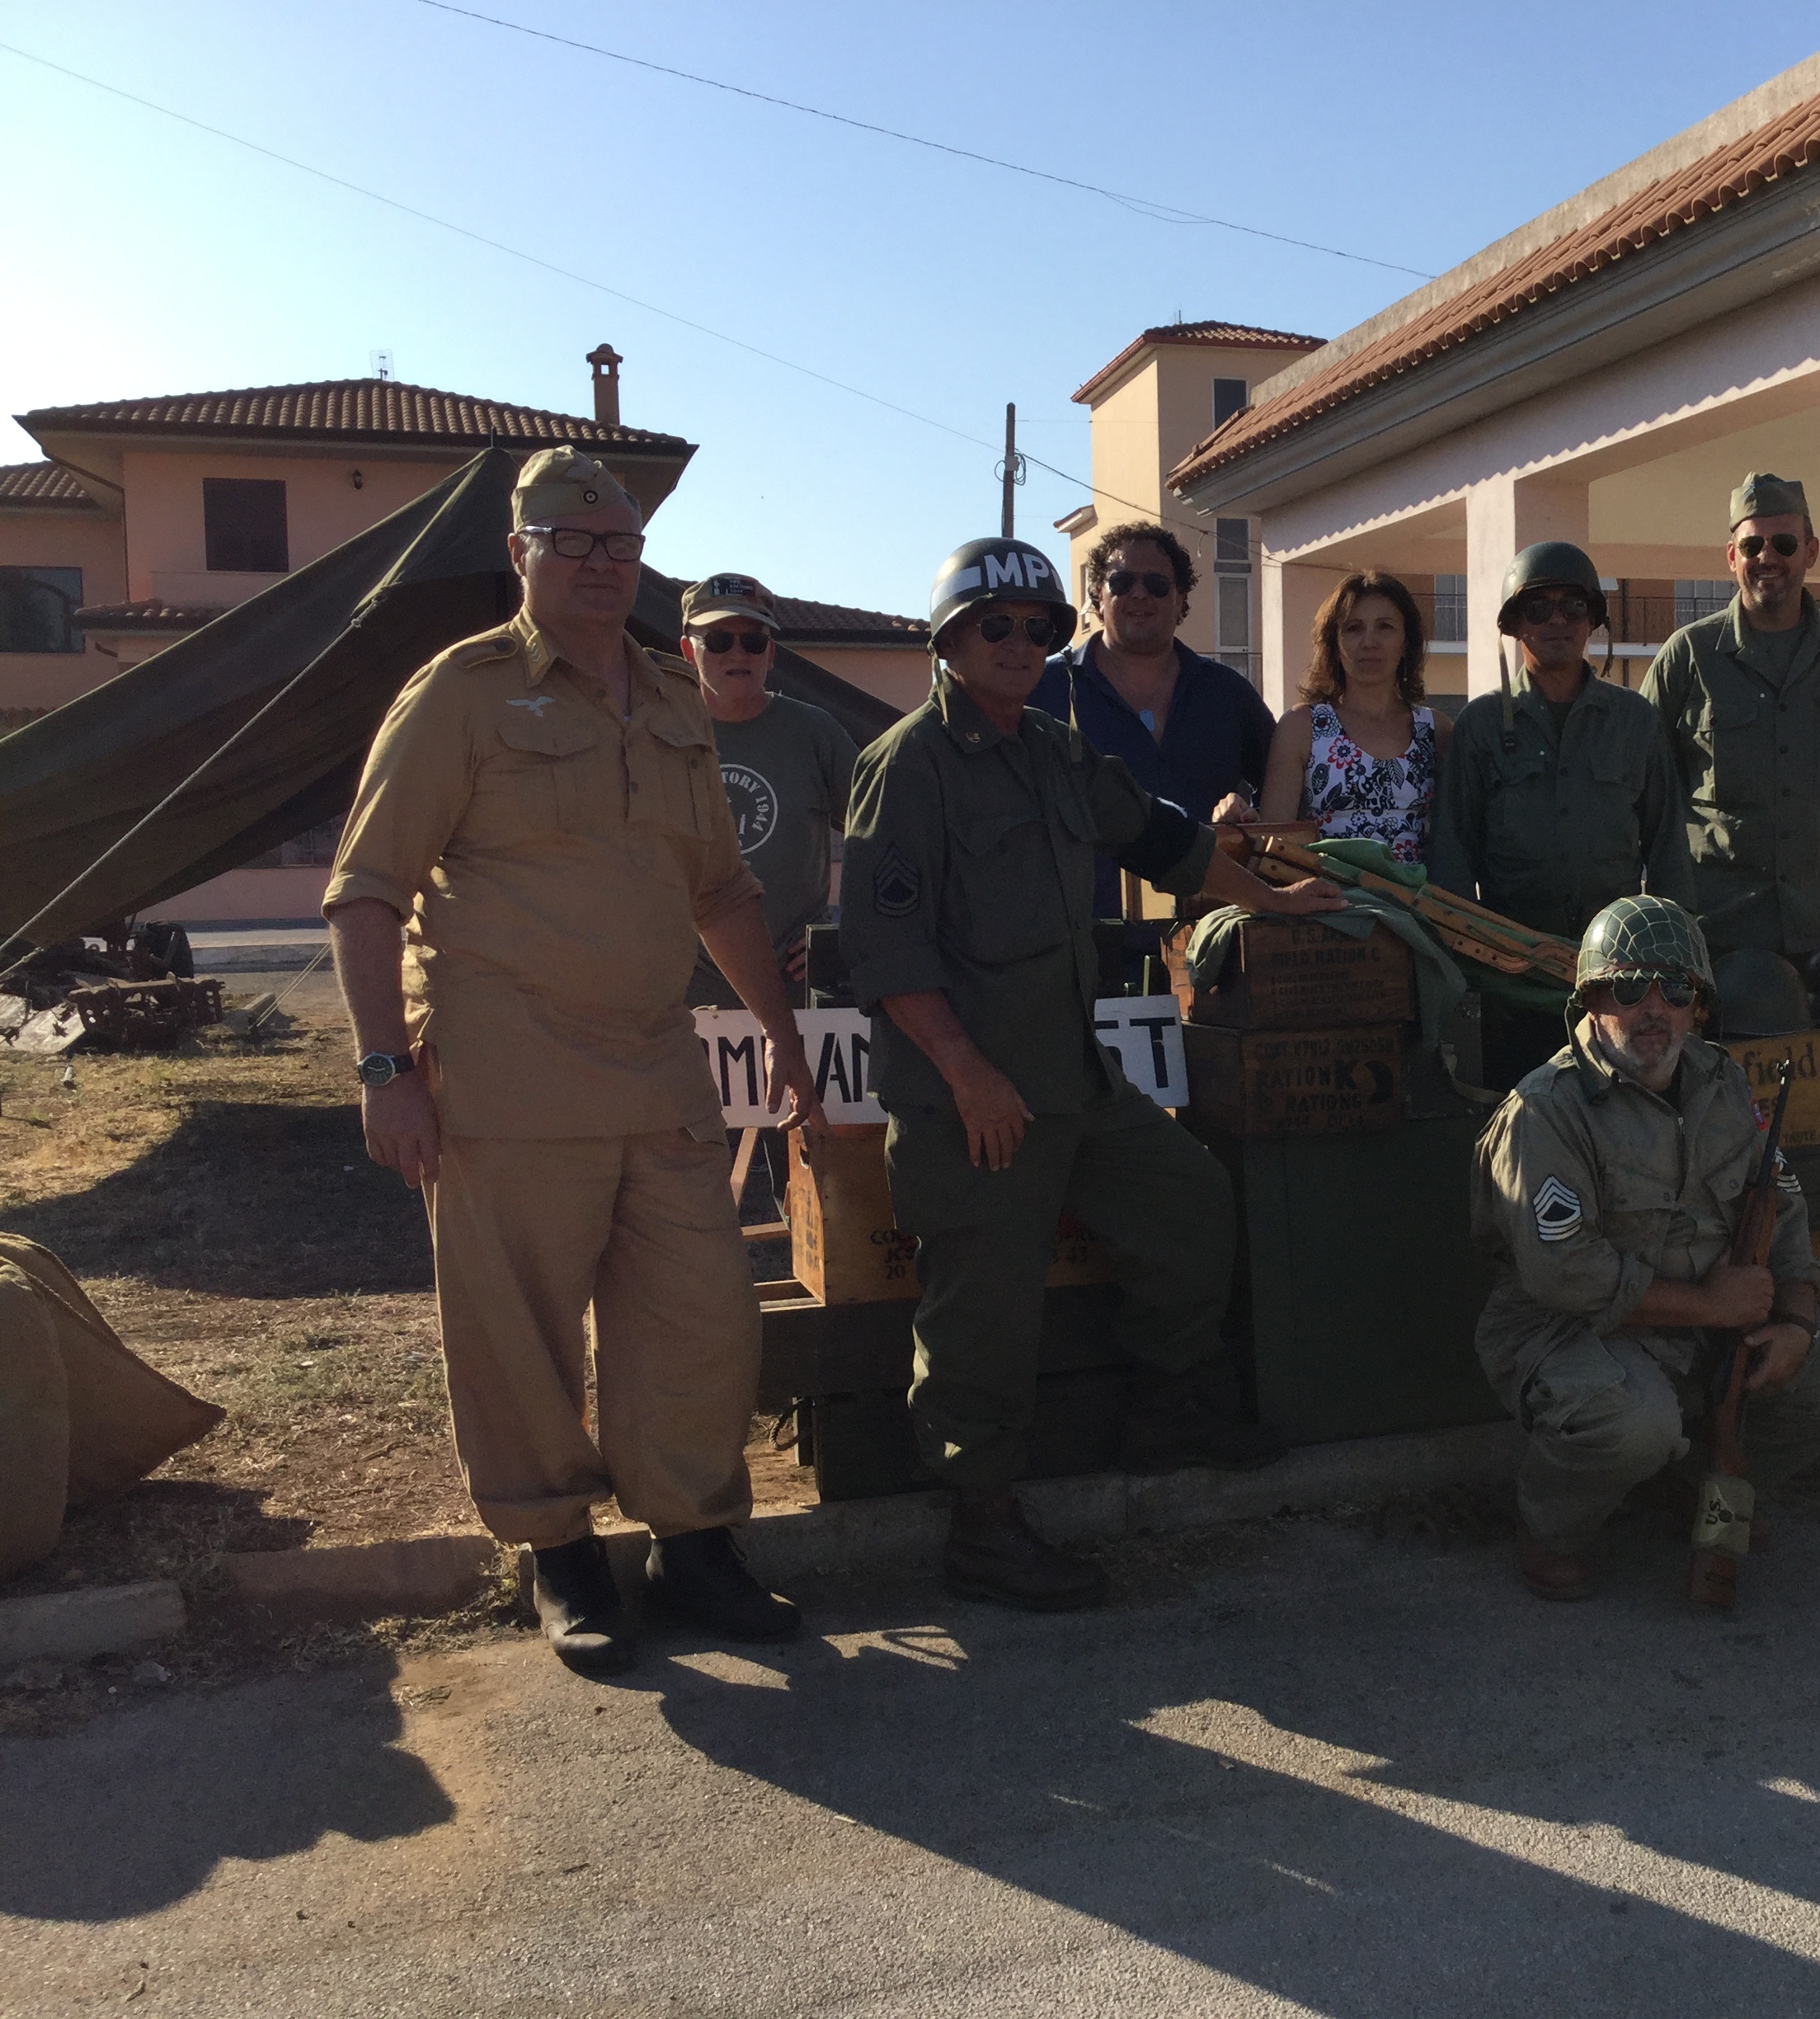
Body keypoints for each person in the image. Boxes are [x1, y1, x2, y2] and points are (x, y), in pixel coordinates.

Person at [324, 446, 819, 1676]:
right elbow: (366, 892)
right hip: (506, 1076)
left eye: (620, 546)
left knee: (699, 1318)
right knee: (518, 1335)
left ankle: (697, 1542)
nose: (601, 564)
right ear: (522, 555)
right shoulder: (460, 695)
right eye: (573, 543)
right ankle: (560, 1554)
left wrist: (781, 1029)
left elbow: (720, 888)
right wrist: (387, 1070)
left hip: (656, 1070)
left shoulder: (670, 697)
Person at [838, 536, 1345, 1611]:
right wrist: (968, 1073)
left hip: (1074, 1075)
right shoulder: (907, 766)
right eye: (994, 627)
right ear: (949, 641)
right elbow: (887, 953)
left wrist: (1276, 903)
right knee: (982, 1314)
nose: (1019, 645)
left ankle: (1166, 1414)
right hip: (970, 1093)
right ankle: (981, 1526)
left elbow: (1164, 842)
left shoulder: (1056, 751)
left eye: (1037, 628)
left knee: (1191, 1206)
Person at [1471, 895, 1820, 1599]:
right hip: (1576, 1331)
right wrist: (1709, 1304)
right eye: (1630, 987)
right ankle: (1550, 1528)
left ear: (1697, 1008)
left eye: (1675, 991)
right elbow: (1564, 1273)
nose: (1653, 1009)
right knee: (1635, 1424)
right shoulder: (1546, 1111)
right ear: (1591, 1000)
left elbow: (1781, 1211)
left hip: (1711, 1327)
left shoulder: (1722, 1082)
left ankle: (1697, 1482)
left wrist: (1793, 1318)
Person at [1432, 540, 1695, 1085]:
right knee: (1524, 1125)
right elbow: (1453, 854)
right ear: (1514, 624)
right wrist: (1467, 970)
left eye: (1573, 607)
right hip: (1513, 980)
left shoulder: (1634, 721)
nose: (1557, 620)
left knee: (1624, 1121)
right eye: (1538, 608)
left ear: (1593, 620)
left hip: (1618, 981)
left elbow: (1668, 848)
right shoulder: (1480, 727)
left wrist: (1675, 970)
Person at [1639, 473, 1820, 960]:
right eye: (1752, 544)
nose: (1767, 558)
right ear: (1732, 555)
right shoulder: (1688, 655)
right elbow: (1648, 784)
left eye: (1783, 543)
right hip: (1721, 934)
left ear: (1811, 551)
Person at [1030, 521, 1276, 992]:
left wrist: (1250, 817)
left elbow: (1286, 796)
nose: (1139, 594)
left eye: (1157, 584)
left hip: (1213, 953)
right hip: (1079, 957)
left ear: (1183, 601)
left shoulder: (1228, 695)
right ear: (1098, 596)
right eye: (1122, 582)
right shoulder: (1044, 689)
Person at [679, 572, 858, 1011]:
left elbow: (887, 837)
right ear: (688, 650)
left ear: (771, 653)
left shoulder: (815, 733)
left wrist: (856, 928)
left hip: (799, 993)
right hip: (686, 1001)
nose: (738, 653)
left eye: (754, 641)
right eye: (719, 640)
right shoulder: (660, 733)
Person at [1262, 572, 1446, 865]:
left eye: (1385, 627)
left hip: (1416, 904)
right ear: (1334, 645)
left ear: (1407, 642)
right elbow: (1274, 843)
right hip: (1330, 902)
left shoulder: (1437, 731)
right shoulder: (1302, 728)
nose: (1369, 642)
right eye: (1353, 628)